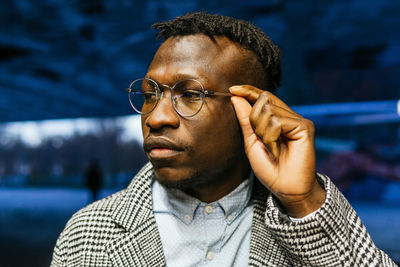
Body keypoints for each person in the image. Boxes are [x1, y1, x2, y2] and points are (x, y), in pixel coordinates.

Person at [51, 12, 396, 266]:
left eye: (190, 94)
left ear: (251, 110)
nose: (155, 117)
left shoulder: (303, 221)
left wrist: (304, 203)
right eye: (149, 94)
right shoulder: (86, 234)